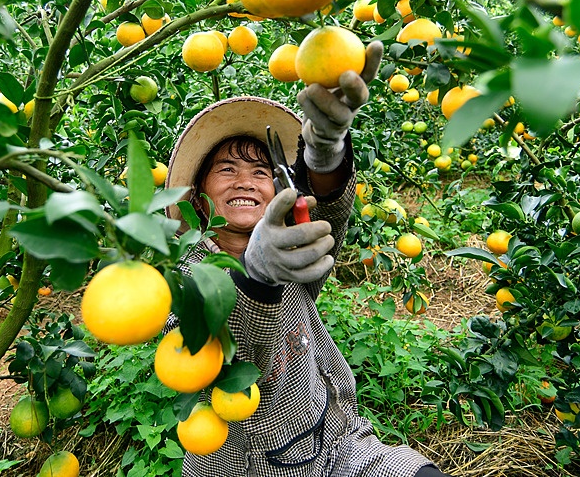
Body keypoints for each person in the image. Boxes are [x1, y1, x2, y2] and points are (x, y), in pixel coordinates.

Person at [165, 42, 453, 477]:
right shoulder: (185, 276)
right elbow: (215, 344)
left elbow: (328, 214)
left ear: (279, 192)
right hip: (249, 466)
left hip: (341, 443)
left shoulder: (294, 250)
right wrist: (257, 274)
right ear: (199, 204)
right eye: (227, 170)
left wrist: (323, 154)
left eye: (262, 172)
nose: (246, 180)